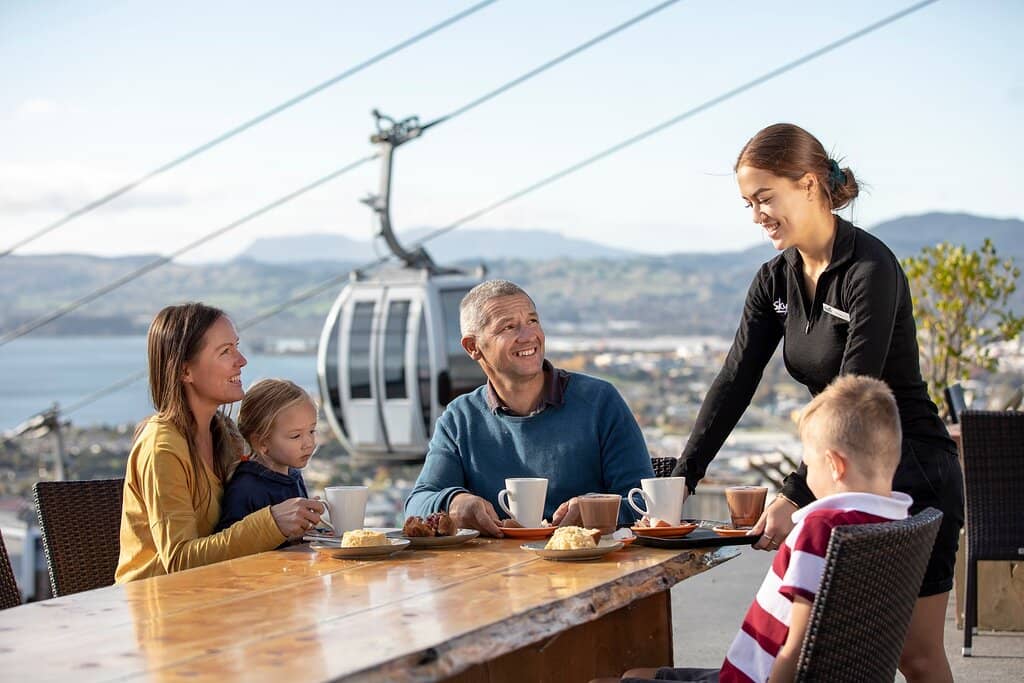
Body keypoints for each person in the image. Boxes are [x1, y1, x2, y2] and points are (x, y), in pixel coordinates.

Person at [671, 123, 962, 681]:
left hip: (912, 472)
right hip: (841, 476)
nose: (756, 213)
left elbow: (853, 393)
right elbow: (734, 379)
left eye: (763, 197)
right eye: (748, 203)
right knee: (831, 655)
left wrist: (792, 493)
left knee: (916, 656)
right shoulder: (774, 280)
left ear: (807, 184)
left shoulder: (869, 269)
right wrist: (683, 478)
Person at [610, 375, 913, 683]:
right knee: (635, 674)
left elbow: (797, 648)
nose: (808, 478)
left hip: (760, 678)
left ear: (835, 465)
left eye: (810, 464)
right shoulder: (896, 521)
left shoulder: (821, 531)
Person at [404, 279, 654, 536]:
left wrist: (595, 510)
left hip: (589, 566)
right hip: (495, 572)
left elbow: (646, 504)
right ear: (473, 347)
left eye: (532, 321)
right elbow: (418, 502)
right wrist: (455, 503)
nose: (528, 336)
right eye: (509, 327)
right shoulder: (460, 418)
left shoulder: (600, 401)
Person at [116, 303, 324, 583]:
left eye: (236, 346)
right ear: (185, 371)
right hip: (161, 610)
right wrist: (271, 523)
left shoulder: (226, 435)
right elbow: (179, 561)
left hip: (219, 597)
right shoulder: (161, 448)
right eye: (226, 351)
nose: (241, 360)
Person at [216, 379, 317, 543]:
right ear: (261, 443)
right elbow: (230, 545)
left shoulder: (294, 476)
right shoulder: (245, 487)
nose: (309, 443)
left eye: (312, 431)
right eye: (296, 436)